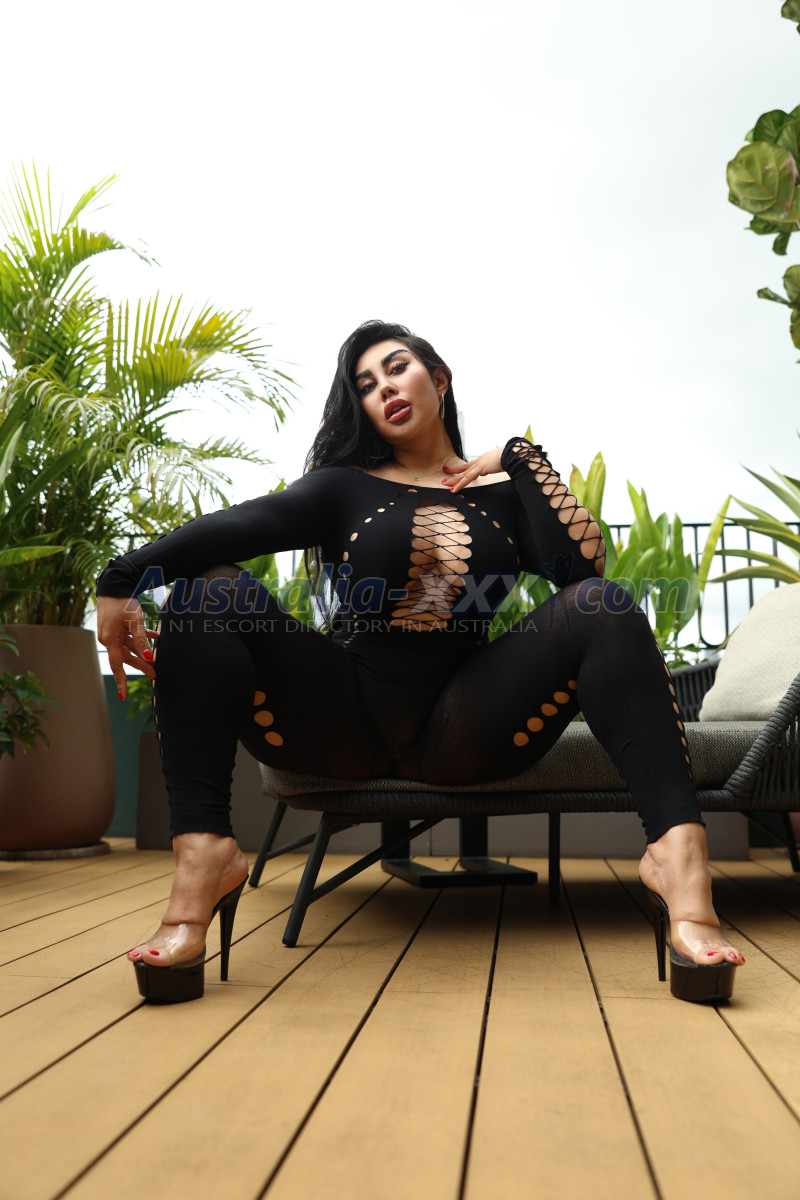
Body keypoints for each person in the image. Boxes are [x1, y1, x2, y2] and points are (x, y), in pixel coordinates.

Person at [96, 320, 744, 1004]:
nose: (383, 389)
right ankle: (203, 859)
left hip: (466, 726)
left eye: (396, 368)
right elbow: (238, 526)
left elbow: (581, 569)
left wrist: (519, 457)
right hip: (342, 716)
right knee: (209, 589)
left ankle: (679, 865)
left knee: (601, 604)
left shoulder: (503, 497)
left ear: (438, 378)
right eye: (365, 385)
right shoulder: (342, 488)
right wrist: (123, 576)